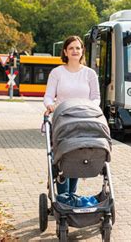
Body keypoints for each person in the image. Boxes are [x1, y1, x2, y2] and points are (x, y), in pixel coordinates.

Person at [43, 35, 100, 195]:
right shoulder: (57, 72)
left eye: (78, 48)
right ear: (65, 52)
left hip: (83, 120)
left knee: (78, 155)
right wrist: (50, 105)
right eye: (71, 48)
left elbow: (96, 97)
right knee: (63, 157)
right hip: (62, 120)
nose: (75, 51)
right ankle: (62, 196)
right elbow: (48, 96)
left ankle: (71, 195)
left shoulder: (90, 74)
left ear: (82, 51)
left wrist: (91, 107)